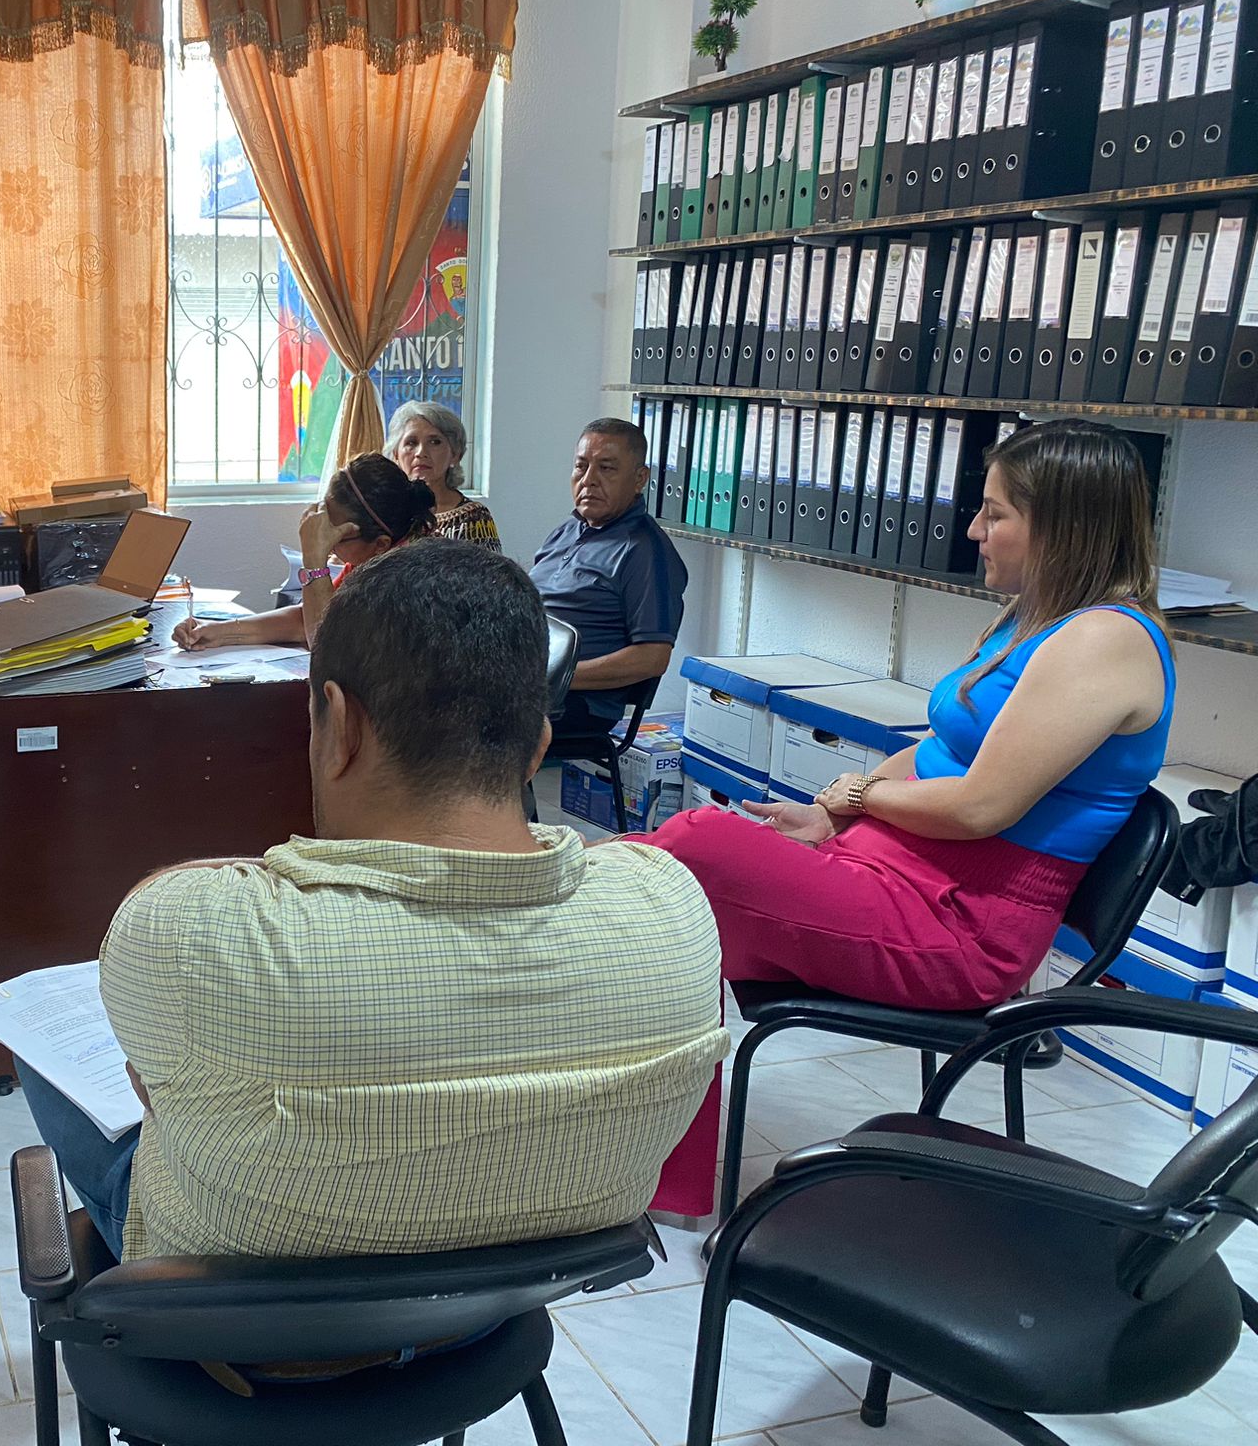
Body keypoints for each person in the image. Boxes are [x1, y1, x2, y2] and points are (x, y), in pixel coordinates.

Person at [23, 538, 728, 1261]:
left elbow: (152, 1083)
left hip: (231, 1314)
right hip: (513, 1293)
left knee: (44, 1060)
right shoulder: (673, 908)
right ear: (539, 744)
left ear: (342, 725)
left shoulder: (191, 930)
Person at [638, 420, 1175, 1215]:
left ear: (1061, 526)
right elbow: (936, 752)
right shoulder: (1034, 619)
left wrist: (857, 799)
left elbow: (980, 806)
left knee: (691, 842)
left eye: (995, 514)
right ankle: (637, 1163)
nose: (974, 530)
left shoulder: (1108, 640)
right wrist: (831, 815)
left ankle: (634, 1165)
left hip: (961, 927)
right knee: (664, 909)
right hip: (898, 877)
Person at [170, 453, 435, 652]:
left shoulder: (407, 579)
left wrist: (314, 558)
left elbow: (326, 646)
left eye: (335, 536)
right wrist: (218, 631)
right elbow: (305, 620)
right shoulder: (371, 557)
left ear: (380, 543)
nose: (326, 541)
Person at [530, 418, 688, 741]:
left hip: (575, 702)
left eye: (606, 468)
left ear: (639, 479)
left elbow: (652, 658)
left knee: (452, 718)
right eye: (581, 466)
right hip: (523, 679)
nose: (588, 480)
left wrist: (551, 678)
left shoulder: (644, 551)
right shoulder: (568, 530)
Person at [386, 399, 500, 552]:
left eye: (435, 442)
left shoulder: (474, 517)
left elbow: (491, 568)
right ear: (396, 455)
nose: (421, 453)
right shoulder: (384, 512)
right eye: (411, 443)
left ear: (455, 455)